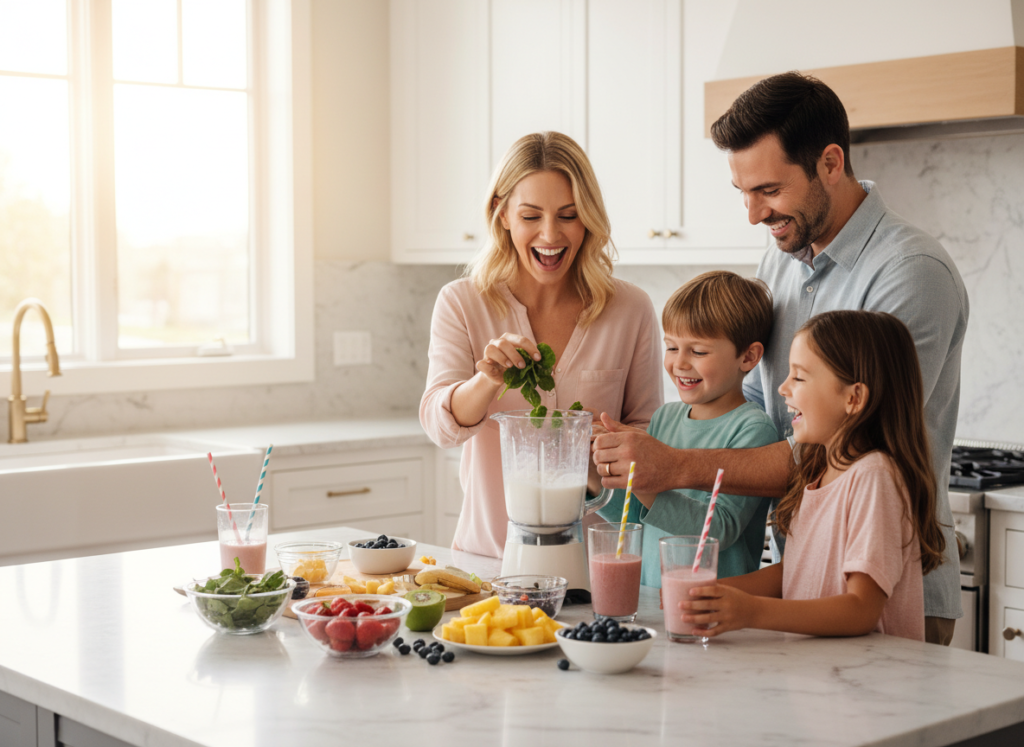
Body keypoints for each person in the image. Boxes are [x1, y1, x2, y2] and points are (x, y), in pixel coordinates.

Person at [592, 72, 968, 645]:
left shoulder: (911, 274)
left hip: (885, 595)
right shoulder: (782, 261)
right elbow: (753, 404)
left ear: (830, 163)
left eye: (768, 190)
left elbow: (853, 444)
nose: (753, 214)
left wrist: (678, 467)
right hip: (798, 577)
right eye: (742, 192)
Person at [420, 131, 663, 558]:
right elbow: (439, 425)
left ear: (588, 217)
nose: (550, 235)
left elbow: (649, 437)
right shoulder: (462, 302)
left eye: (568, 215)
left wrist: (600, 455)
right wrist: (486, 380)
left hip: (596, 566)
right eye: (531, 216)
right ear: (502, 213)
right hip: (489, 562)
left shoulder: (631, 309)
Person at [677, 311, 946, 642]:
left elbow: (860, 609)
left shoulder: (873, 477)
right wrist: (709, 592)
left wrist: (752, 611)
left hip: (869, 681)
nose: (783, 388)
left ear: (854, 398)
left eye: (799, 378)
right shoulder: (818, 470)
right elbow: (796, 572)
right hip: (821, 675)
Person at [597, 271, 778, 587]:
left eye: (698, 351)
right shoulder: (665, 418)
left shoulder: (754, 429)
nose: (679, 363)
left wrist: (641, 479)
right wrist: (594, 474)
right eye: (671, 347)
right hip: (652, 600)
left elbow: (719, 529)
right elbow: (632, 518)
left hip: (715, 607)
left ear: (749, 356)